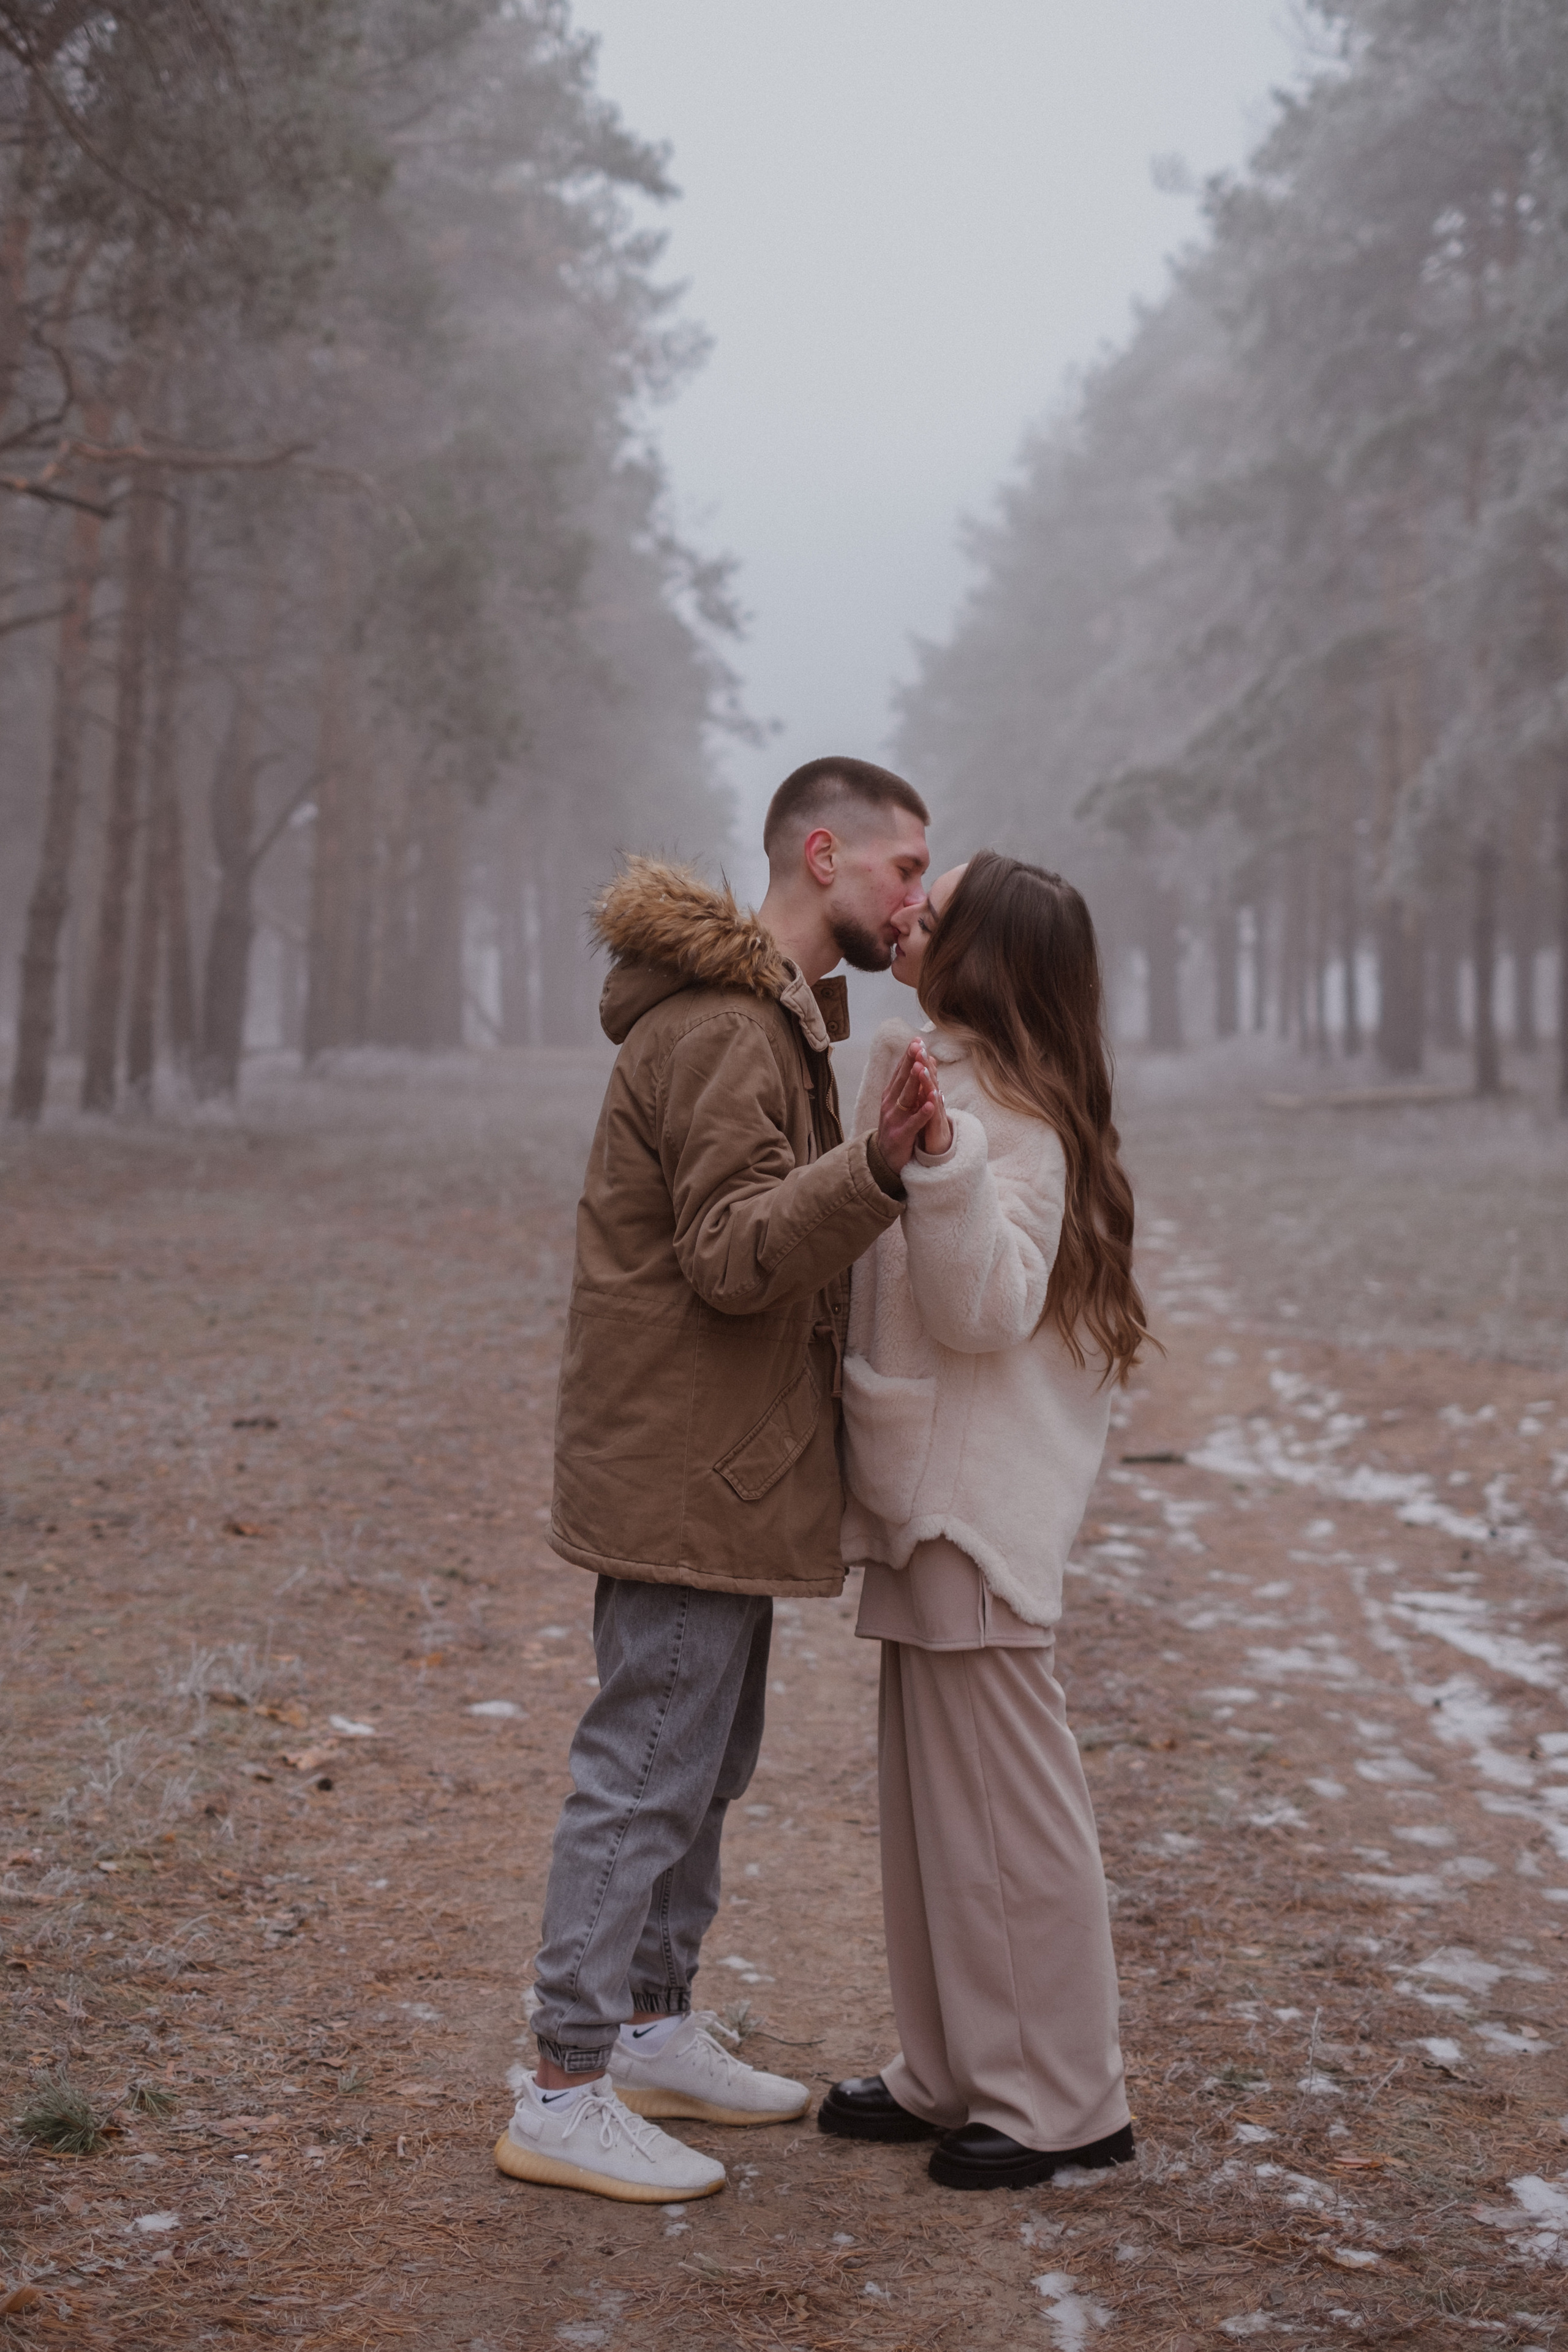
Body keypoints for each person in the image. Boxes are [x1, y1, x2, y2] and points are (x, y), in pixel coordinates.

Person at [495, 757, 943, 2204]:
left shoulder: (777, 1023)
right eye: (902, 870)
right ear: (825, 855)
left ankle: (649, 2025)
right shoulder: (724, 1032)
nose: (917, 900)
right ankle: (564, 2087)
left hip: (723, 1472)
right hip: (686, 1473)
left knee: (701, 1766)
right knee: (641, 1774)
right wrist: (872, 1169)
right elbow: (735, 1255)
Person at [818, 851, 1154, 2192]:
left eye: (933, 909)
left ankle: (1064, 2100)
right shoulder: (935, 1075)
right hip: (919, 1491)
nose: (904, 913)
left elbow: (978, 1310)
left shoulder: (1018, 1125)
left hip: (975, 1511)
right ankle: (951, 2066)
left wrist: (939, 1160)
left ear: (984, 956)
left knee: (1007, 1819)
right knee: (928, 1813)